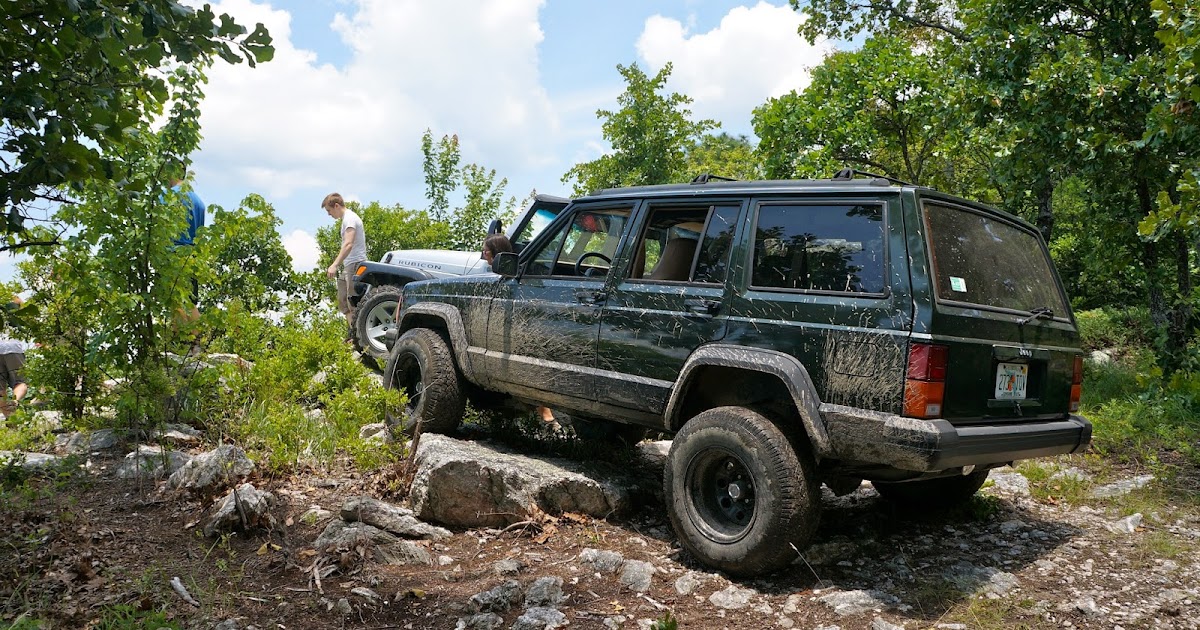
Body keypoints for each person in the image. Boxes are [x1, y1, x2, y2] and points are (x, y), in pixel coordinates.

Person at [480, 234, 559, 426]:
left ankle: (546, 415)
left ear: (497, 254)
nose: (483, 255)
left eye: (485, 251)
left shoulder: (513, 275)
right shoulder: (507, 273)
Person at [323, 192, 368, 331]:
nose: (329, 214)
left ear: (336, 206)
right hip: (348, 265)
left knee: (353, 302)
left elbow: (348, 244)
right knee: (343, 302)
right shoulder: (345, 220)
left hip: (355, 264)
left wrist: (334, 264)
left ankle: (359, 337)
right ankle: (353, 333)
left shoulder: (350, 218)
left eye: (329, 210)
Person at [168, 169, 206, 325]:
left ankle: (177, 338)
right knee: (190, 302)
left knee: (175, 299)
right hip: (192, 256)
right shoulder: (198, 202)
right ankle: (198, 338)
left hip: (173, 254)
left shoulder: (168, 197)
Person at [0, 296, 28, 418]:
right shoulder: (17, 316)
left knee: (0, 388)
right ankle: (15, 401)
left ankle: (10, 419)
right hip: (14, 349)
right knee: (20, 382)